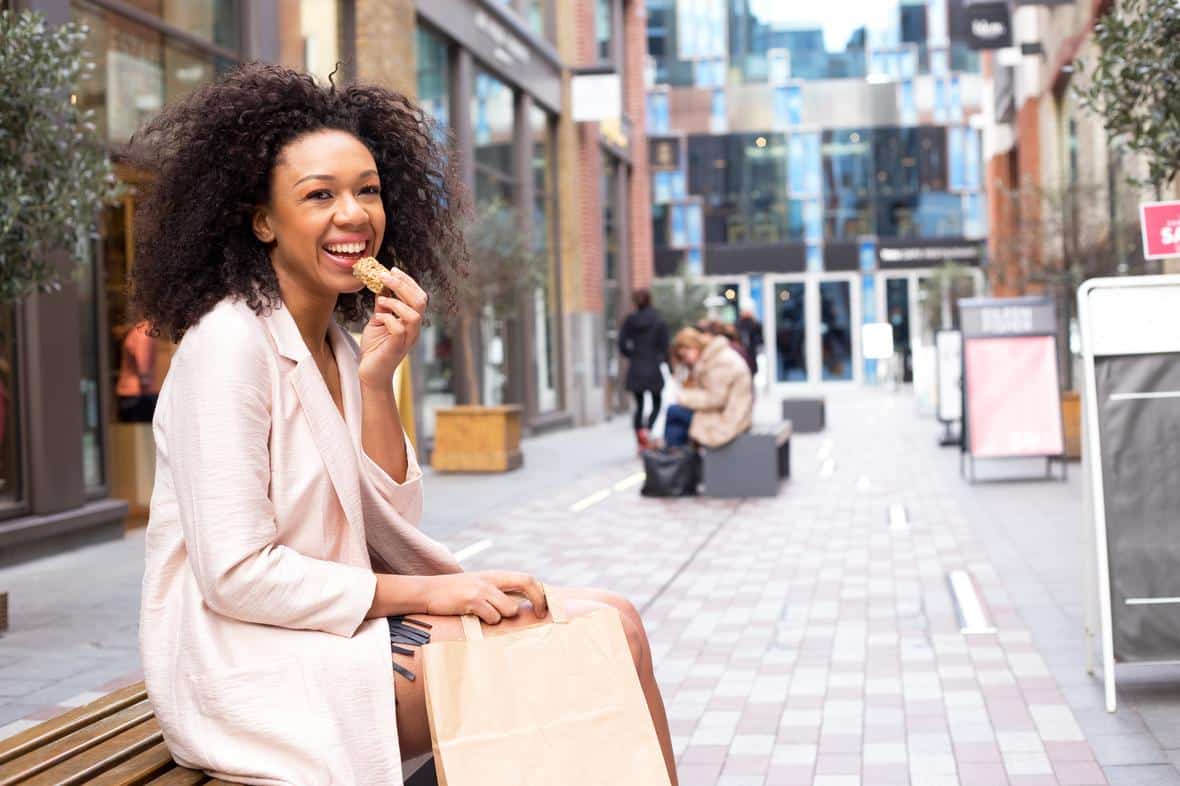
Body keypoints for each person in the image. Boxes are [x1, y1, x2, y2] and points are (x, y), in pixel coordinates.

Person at [129, 64, 677, 785]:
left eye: (368, 190)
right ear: (262, 219)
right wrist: (435, 593)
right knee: (580, 649)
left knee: (618, 621)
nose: (353, 214)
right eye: (318, 195)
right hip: (247, 663)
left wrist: (378, 381)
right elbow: (237, 576)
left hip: (335, 630)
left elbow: (386, 522)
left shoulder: (338, 345)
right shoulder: (229, 345)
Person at [664, 327, 753, 449]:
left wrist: (684, 398)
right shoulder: (713, 357)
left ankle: (672, 460)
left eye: (686, 354)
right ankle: (675, 459)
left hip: (730, 420)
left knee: (674, 411)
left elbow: (716, 399)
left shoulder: (719, 360)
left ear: (694, 345)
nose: (686, 359)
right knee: (677, 420)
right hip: (725, 412)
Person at [618, 289, 668, 450]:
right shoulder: (658, 320)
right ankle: (648, 430)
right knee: (657, 402)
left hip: (637, 366)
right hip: (652, 365)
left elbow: (621, 343)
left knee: (638, 406)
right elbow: (665, 345)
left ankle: (641, 437)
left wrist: (631, 354)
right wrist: (660, 358)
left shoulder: (630, 320)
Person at [114, 321, 158, 422]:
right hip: (137, 394)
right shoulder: (144, 333)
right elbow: (144, 367)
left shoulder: (138, 331)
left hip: (132, 392)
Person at [736, 304, 764, 377]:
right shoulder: (738, 324)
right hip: (742, 353)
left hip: (751, 352)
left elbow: (759, 339)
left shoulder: (755, 324)